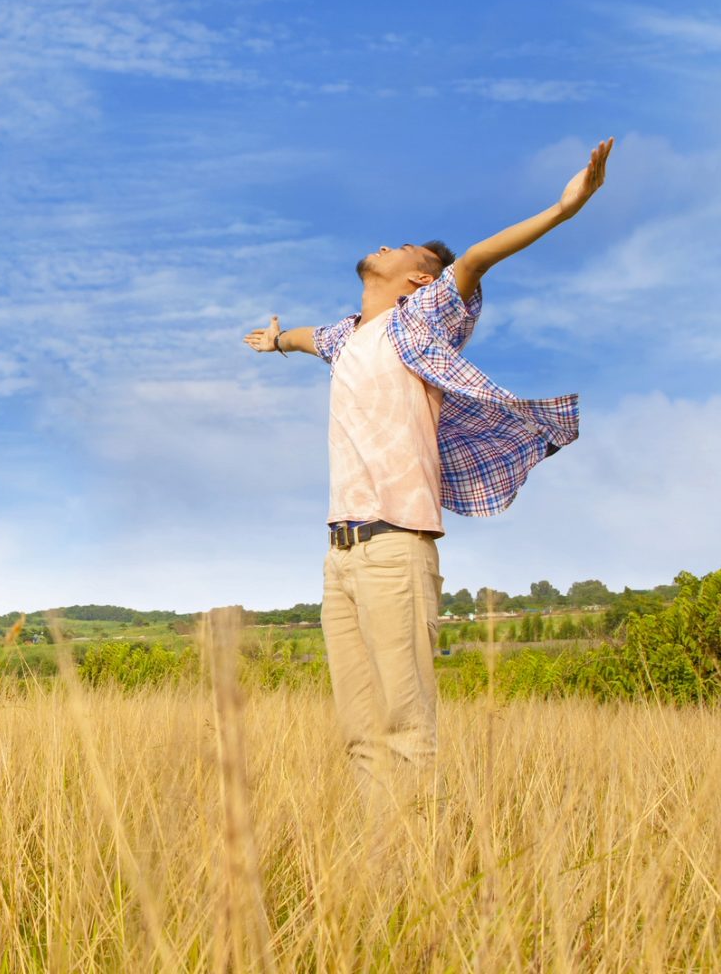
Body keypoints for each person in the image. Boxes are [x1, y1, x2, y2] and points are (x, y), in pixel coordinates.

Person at [241, 138, 614, 817]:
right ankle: (377, 870)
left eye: (406, 247)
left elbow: (474, 260)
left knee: (406, 729)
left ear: (420, 281)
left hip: (395, 547)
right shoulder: (347, 335)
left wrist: (563, 209)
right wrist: (275, 342)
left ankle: (421, 870)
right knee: (359, 735)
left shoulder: (421, 320)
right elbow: (305, 336)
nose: (388, 243)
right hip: (339, 555)